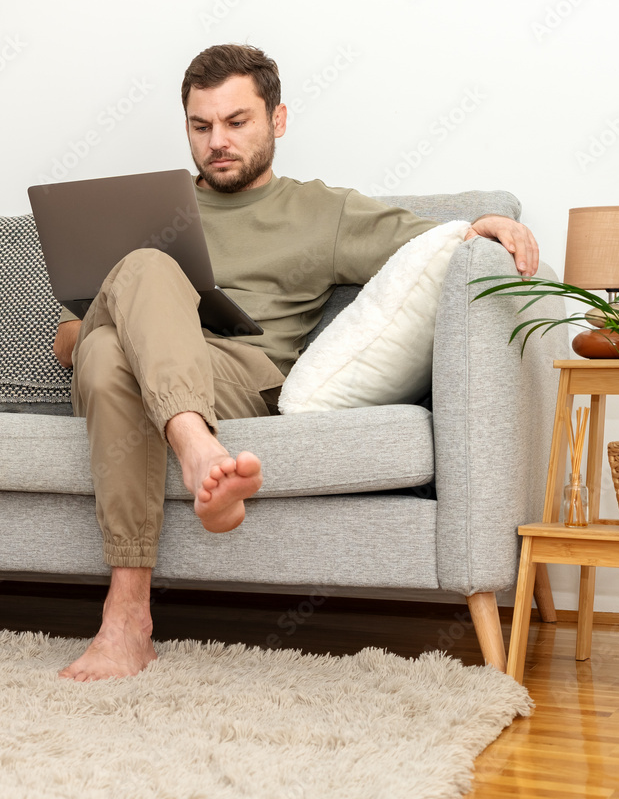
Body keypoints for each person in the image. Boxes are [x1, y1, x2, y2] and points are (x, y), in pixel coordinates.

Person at [52, 44, 538, 682]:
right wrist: (101, 317)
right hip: (125, 369)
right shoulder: (147, 213)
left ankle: (127, 616)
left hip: (239, 375)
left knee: (123, 312)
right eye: (201, 127)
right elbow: (70, 341)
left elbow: (436, 241)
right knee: (111, 338)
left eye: (236, 122)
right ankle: (178, 498)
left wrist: (491, 220)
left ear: (277, 120)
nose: (216, 141)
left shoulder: (322, 213)